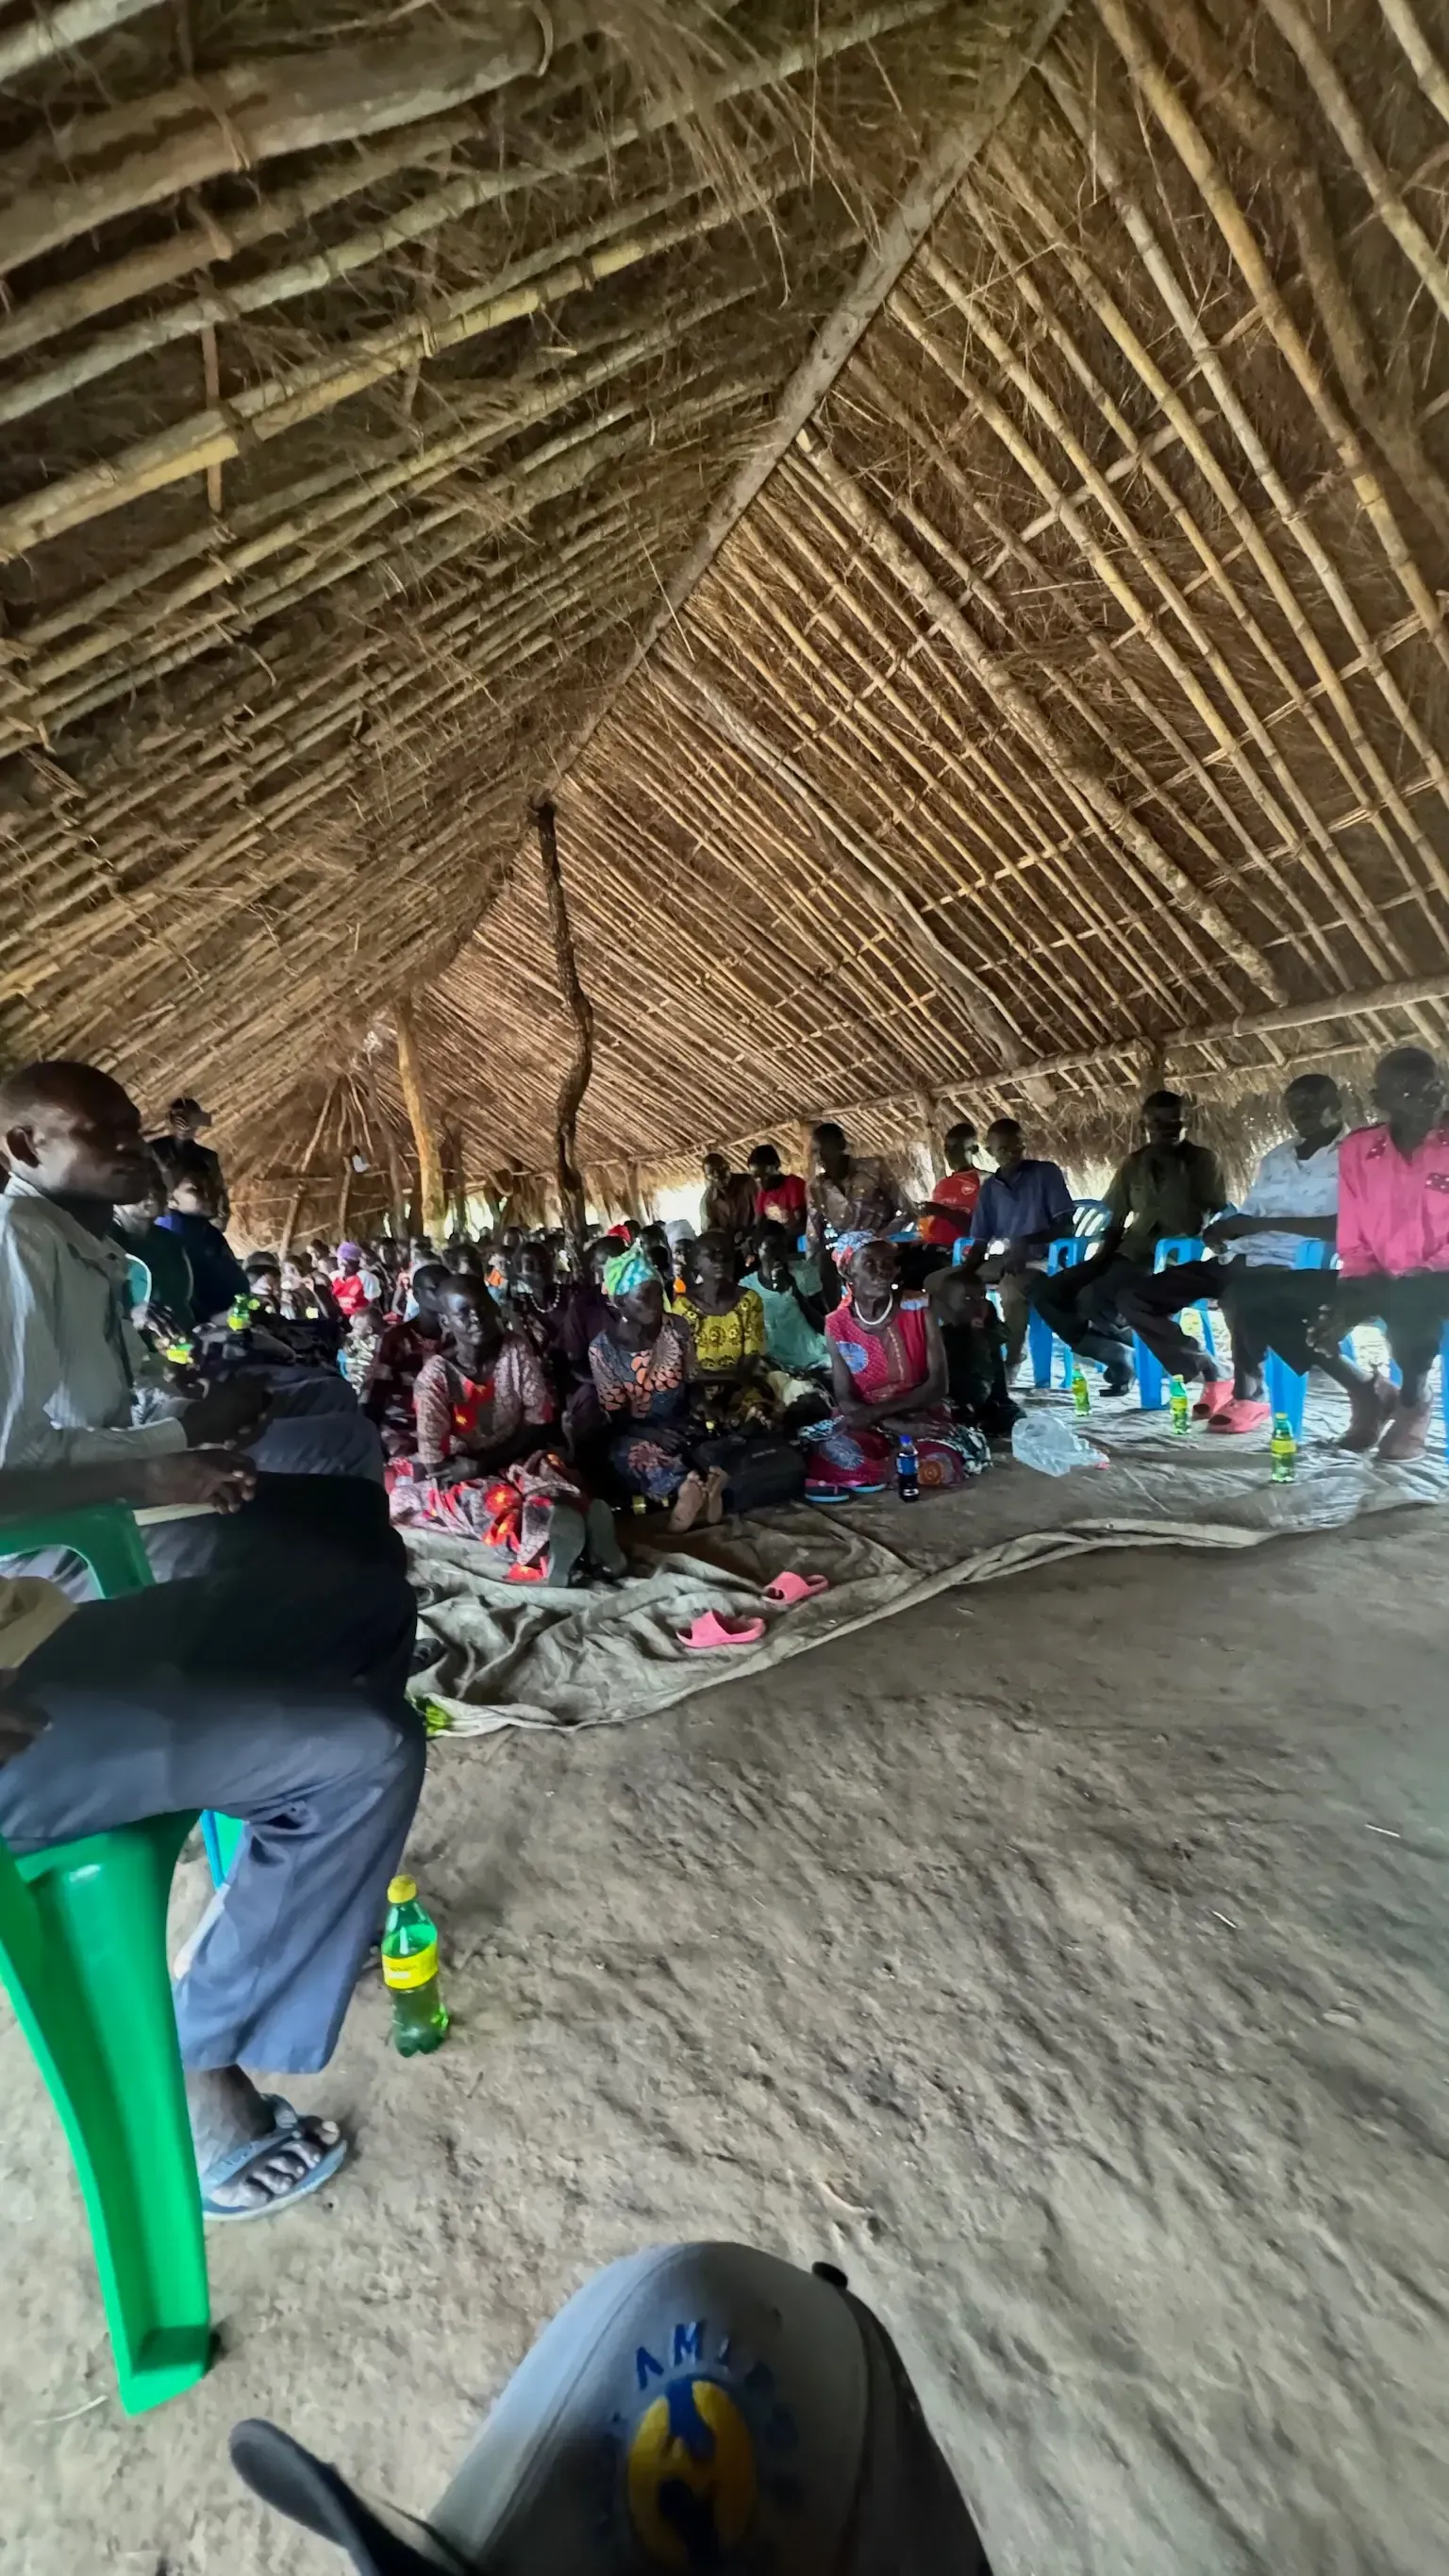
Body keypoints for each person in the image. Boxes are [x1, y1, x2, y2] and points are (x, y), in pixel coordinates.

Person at [0, 1445, 425, 2216]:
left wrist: (138, 1474)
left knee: (368, 1606)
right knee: (369, 1755)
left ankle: (293, 1906)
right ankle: (198, 2053)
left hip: (25, 1644)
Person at [0, 1061, 398, 1589]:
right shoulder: (18, 1241)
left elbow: (121, 1396)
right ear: (26, 1147)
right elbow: (16, 1465)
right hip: (61, 1531)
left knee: (351, 1507)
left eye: (133, 1129)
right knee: (337, 1524)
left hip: (124, 1473)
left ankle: (354, 1599)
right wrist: (183, 1435)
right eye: (102, 1131)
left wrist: (188, 1407)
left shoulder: (89, 1247)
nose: (134, 1147)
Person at [1124, 1072, 1355, 1435]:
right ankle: (1211, 1372)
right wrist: (1223, 1229)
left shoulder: (1355, 1156)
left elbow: (1347, 1226)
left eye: (1312, 1104)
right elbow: (1251, 1213)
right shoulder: (1277, 1157)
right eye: (1293, 1107)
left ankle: (1251, 1395)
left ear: (1337, 1104)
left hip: (1292, 1266)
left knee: (1240, 1296)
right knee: (1136, 1298)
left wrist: (1259, 1226)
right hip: (1240, 1256)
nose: (1301, 1113)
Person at [1031, 1093, 1227, 1398]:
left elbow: (1211, 1213)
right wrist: (1098, 1259)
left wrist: (1175, 1168)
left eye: (1174, 1121)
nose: (1166, 1128)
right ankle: (1114, 1351)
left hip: (1172, 1253)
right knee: (1048, 1293)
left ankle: (1130, 1352)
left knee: (1093, 1298)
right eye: (1157, 1122)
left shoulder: (1202, 1161)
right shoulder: (1135, 1163)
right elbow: (1116, 1216)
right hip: (1128, 1250)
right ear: (1145, 1125)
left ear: (1185, 1121)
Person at [1318, 1045, 1449, 1460]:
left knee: (1411, 1298)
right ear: (1381, 1100)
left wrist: (1419, 1273)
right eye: (1406, 1090)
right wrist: (1353, 1292)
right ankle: (1367, 1390)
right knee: (1295, 1306)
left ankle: (1414, 1398)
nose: (1424, 1098)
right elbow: (1353, 1233)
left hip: (1440, 1276)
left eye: (1431, 1087)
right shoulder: (1359, 1150)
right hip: (1385, 1275)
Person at [803, 1239, 986, 1498]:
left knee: (940, 1462)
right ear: (848, 1271)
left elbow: (937, 1385)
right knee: (834, 1450)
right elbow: (845, 1398)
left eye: (888, 1263)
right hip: (870, 1420)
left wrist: (899, 1422)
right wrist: (894, 1424)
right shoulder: (836, 1324)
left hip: (919, 1413)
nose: (882, 1271)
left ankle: (878, 1471)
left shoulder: (920, 1307)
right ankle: (890, 1467)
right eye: (869, 1263)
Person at [386, 1276, 554, 1535]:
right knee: (496, 1506)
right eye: (463, 1312)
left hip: (512, 1457)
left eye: (482, 1307)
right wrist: (479, 1469)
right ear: (446, 1322)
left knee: (553, 1477)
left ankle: (565, 1527)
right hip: (465, 1474)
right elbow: (437, 1466)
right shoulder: (435, 1380)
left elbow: (540, 1420)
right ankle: (549, 1538)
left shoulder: (514, 1349)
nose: (476, 1318)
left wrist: (485, 1462)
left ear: (494, 1308)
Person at [588, 1246, 725, 1531]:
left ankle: (697, 1488)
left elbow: (692, 1383)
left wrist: (700, 1405)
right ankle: (695, 1486)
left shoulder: (677, 1328)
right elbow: (616, 1416)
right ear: (620, 1302)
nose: (655, 1302)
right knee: (635, 1456)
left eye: (656, 1292)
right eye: (643, 1295)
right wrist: (654, 1434)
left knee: (716, 1436)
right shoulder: (603, 1350)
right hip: (636, 1431)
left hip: (678, 1421)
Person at [957, 1120, 1075, 1377]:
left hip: (1048, 1259)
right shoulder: (990, 1188)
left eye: (1017, 1146)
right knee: (946, 1284)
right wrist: (965, 1272)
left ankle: (1011, 1359)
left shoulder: (1045, 1173)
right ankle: (966, 1356)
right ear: (990, 1151)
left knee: (1011, 1287)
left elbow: (1066, 1227)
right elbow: (980, 1240)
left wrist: (1027, 1241)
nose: (1013, 1154)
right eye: (1004, 1149)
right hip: (1010, 1259)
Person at [671, 1232, 776, 1430]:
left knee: (757, 1420)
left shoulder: (749, 1301)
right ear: (695, 1263)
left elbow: (750, 1363)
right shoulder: (683, 1307)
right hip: (698, 1391)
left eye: (725, 1253)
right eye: (711, 1253)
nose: (720, 1258)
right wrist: (704, 1394)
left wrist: (723, 1394)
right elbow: (687, 1372)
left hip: (741, 1386)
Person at [741, 1223, 834, 1420]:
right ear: (756, 1250)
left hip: (814, 1353)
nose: (778, 1254)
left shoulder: (803, 1273)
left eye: (782, 1247)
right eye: (770, 1247)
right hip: (776, 1361)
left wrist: (796, 1291)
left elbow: (824, 1325)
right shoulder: (747, 1288)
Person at [154, 1144, 250, 1322]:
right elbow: (183, 1295)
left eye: (210, 1185)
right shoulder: (173, 1232)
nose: (209, 1193)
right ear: (171, 1199)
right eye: (195, 1189)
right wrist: (213, 1320)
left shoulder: (200, 1227)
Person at [363, 1260, 449, 1459]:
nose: (444, 1295)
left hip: (451, 1421)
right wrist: (370, 1436)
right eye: (435, 1289)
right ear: (417, 1295)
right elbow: (375, 1390)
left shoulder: (459, 1333)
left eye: (447, 1288)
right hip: (406, 1424)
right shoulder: (397, 1338)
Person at [927, 1264, 1019, 1441]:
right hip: (953, 1404)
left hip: (987, 1405)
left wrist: (978, 1335)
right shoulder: (938, 1339)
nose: (978, 1304)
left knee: (1015, 1418)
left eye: (982, 1297)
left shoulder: (989, 1333)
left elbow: (997, 1391)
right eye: (967, 1299)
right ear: (946, 1306)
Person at [111, 1162, 195, 1334]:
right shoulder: (98, 1245)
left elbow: (183, 1306)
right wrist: (131, 1316)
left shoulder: (171, 1243)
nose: (150, 1192)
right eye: (137, 1183)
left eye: (157, 1184)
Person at [808, 1122, 907, 1253]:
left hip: (882, 1251)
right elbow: (813, 1236)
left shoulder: (873, 1169)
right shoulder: (817, 1188)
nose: (819, 1156)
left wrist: (879, 1238)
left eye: (824, 1148)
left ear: (841, 1144)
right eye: (815, 1151)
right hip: (843, 1255)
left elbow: (907, 1211)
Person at [148, 1094, 227, 1222]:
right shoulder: (154, 1150)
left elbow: (220, 1201)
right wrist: (163, 1131)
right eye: (180, 1117)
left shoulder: (208, 1158)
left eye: (191, 1118)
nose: (184, 1123)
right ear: (170, 1119)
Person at [918, 1121, 982, 1251]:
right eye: (947, 1148)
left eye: (956, 1148)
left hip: (969, 1253)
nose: (950, 1154)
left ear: (974, 1149)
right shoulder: (942, 1185)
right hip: (939, 1251)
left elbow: (980, 1226)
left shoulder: (984, 1181)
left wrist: (943, 1212)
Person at [747, 1142, 808, 1232]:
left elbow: (801, 1222)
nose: (759, 1180)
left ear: (775, 1166)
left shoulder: (793, 1184)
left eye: (763, 1173)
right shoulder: (764, 1192)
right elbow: (758, 1223)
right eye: (756, 1176)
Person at [700, 1152, 758, 1243]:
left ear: (728, 1167)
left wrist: (747, 1234)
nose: (717, 1175)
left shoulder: (749, 1184)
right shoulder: (708, 1200)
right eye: (711, 1173)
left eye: (720, 1169)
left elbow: (762, 1215)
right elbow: (709, 1233)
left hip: (755, 1238)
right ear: (706, 1177)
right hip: (727, 1245)